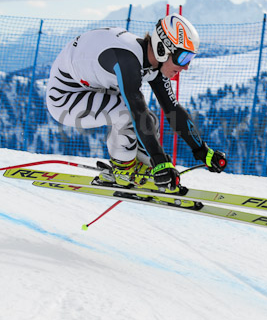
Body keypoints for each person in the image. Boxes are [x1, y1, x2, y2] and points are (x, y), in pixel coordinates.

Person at [45, 14, 227, 202]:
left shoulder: (154, 63)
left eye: (190, 58)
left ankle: (138, 167)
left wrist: (203, 151)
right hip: (64, 98)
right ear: (163, 48)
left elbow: (173, 110)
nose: (187, 66)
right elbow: (136, 111)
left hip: (90, 88)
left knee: (151, 120)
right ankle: (123, 171)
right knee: (128, 112)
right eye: (183, 57)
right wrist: (160, 161)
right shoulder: (128, 60)